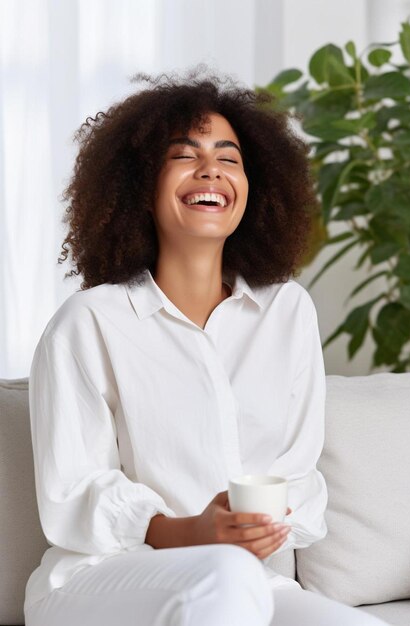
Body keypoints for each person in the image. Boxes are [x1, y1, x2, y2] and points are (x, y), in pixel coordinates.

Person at [25, 68, 387, 626]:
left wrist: (262, 526)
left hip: (247, 579)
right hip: (102, 579)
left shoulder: (286, 312)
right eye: (184, 155)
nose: (211, 169)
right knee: (226, 575)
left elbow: (296, 471)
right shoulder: (88, 322)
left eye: (229, 156)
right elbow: (73, 492)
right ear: (139, 185)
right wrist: (190, 532)